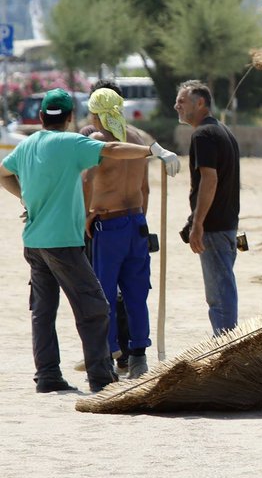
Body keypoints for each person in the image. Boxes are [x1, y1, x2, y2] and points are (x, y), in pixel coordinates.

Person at [0, 88, 180, 393]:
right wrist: (152, 151)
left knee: (43, 310)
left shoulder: (27, 145)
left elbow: (3, 175)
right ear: (70, 118)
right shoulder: (72, 142)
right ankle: (101, 376)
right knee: (95, 307)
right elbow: (112, 149)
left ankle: (47, 376)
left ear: (42, 117)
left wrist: (28, 200)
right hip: (63, 242)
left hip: (34, 241)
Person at [82, 86, 153, 379]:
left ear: (97, 115)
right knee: (136, 294)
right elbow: (145, 189)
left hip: (107, 224)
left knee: (105, 294)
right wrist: (138, 218)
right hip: (135, 221)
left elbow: (87, 181)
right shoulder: (137, 140)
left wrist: (85, 217)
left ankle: (109, 356)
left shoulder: (98, 141)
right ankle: (139, 356)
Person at [174, 80, 241, 336]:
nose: (176, 106)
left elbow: (209, 179)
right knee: (223, 287)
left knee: (219, 294)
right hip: (227, 225)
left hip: (214, 227)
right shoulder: (224, 131)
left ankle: (225, 345)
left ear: (199, 103)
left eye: (182, 101)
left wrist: (198, 223)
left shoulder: (203, 134)